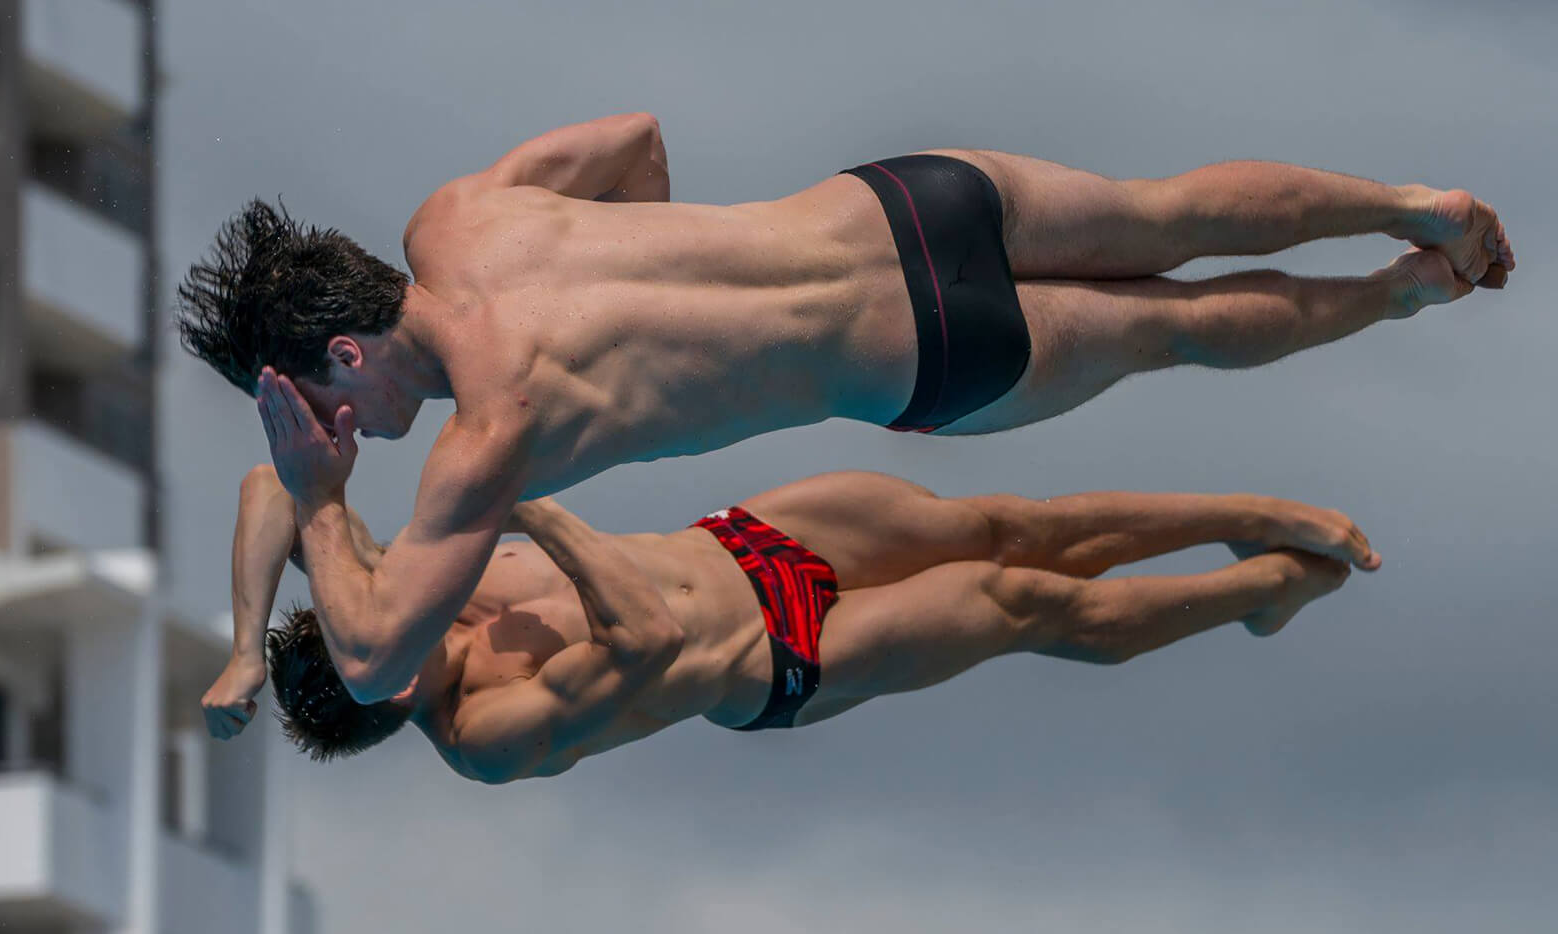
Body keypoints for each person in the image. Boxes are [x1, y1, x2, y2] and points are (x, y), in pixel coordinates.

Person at [179, 112, 1503, 703]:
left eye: (294, 398)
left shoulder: (490, 437)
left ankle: (1399, 292)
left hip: (921, 355)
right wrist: (665, 302)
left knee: (1188, 325)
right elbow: (638, 137)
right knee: (1166, 214)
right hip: (902, 199)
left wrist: (316, 496)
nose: (314, 428)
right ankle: (1412, 203)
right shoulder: (457, 216)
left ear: (345, 357)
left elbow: (371, 661)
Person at [204, 465, 1376, 782]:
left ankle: (1244, 513)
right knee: (1024, 603)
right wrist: (533, 509)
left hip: (745, 543)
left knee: (1003, 523)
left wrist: (241, 643)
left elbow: (279, 484)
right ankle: (1256, 594)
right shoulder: (487, 735)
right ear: (391, 688)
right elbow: (647, 648)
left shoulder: (405, 595)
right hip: (780, 659)